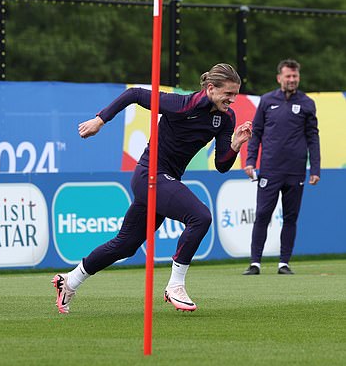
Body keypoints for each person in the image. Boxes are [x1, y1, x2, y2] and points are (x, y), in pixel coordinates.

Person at [52, 63, 253, 313]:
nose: (233, 100)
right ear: (211, 88)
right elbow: (134, 94)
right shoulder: (182, 105)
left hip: (165, 181)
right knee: (200, 217)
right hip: (150, 175)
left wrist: (235, 145)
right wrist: (100, 120)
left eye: (236, 94)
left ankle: (69, 281)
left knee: (124, 245)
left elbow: (222, 165)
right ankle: (175, 285)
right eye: (229, 94)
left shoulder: (226, 118)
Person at [242, 59, 320, 276]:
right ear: (279, 78)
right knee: (263, 214)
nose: (292, 80)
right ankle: (255, 263)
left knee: (291, 217)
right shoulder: (267, 100)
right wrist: (250, 161)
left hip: (296, 171)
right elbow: (256, 133)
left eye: (295, 76)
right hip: (270, 169)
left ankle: (283, 263)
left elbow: (313, 137)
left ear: (299, 77)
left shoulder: (307, 103)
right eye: (288, 76)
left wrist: (315, 169)